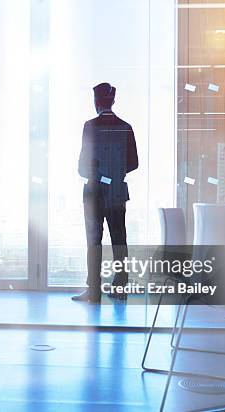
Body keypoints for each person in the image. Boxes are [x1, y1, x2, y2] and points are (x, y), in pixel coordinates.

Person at [72, 83, 139, 303]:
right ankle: (120, 287)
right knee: (119, 240)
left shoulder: (90, 127)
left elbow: (83, 167)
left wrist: (99, 175)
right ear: (112, 101)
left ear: (96, 102)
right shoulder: (126, 127)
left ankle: (94, 291)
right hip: (118, 192)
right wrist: (114, 175)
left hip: (94, 193)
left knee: (94, 241)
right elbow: (134, 163)